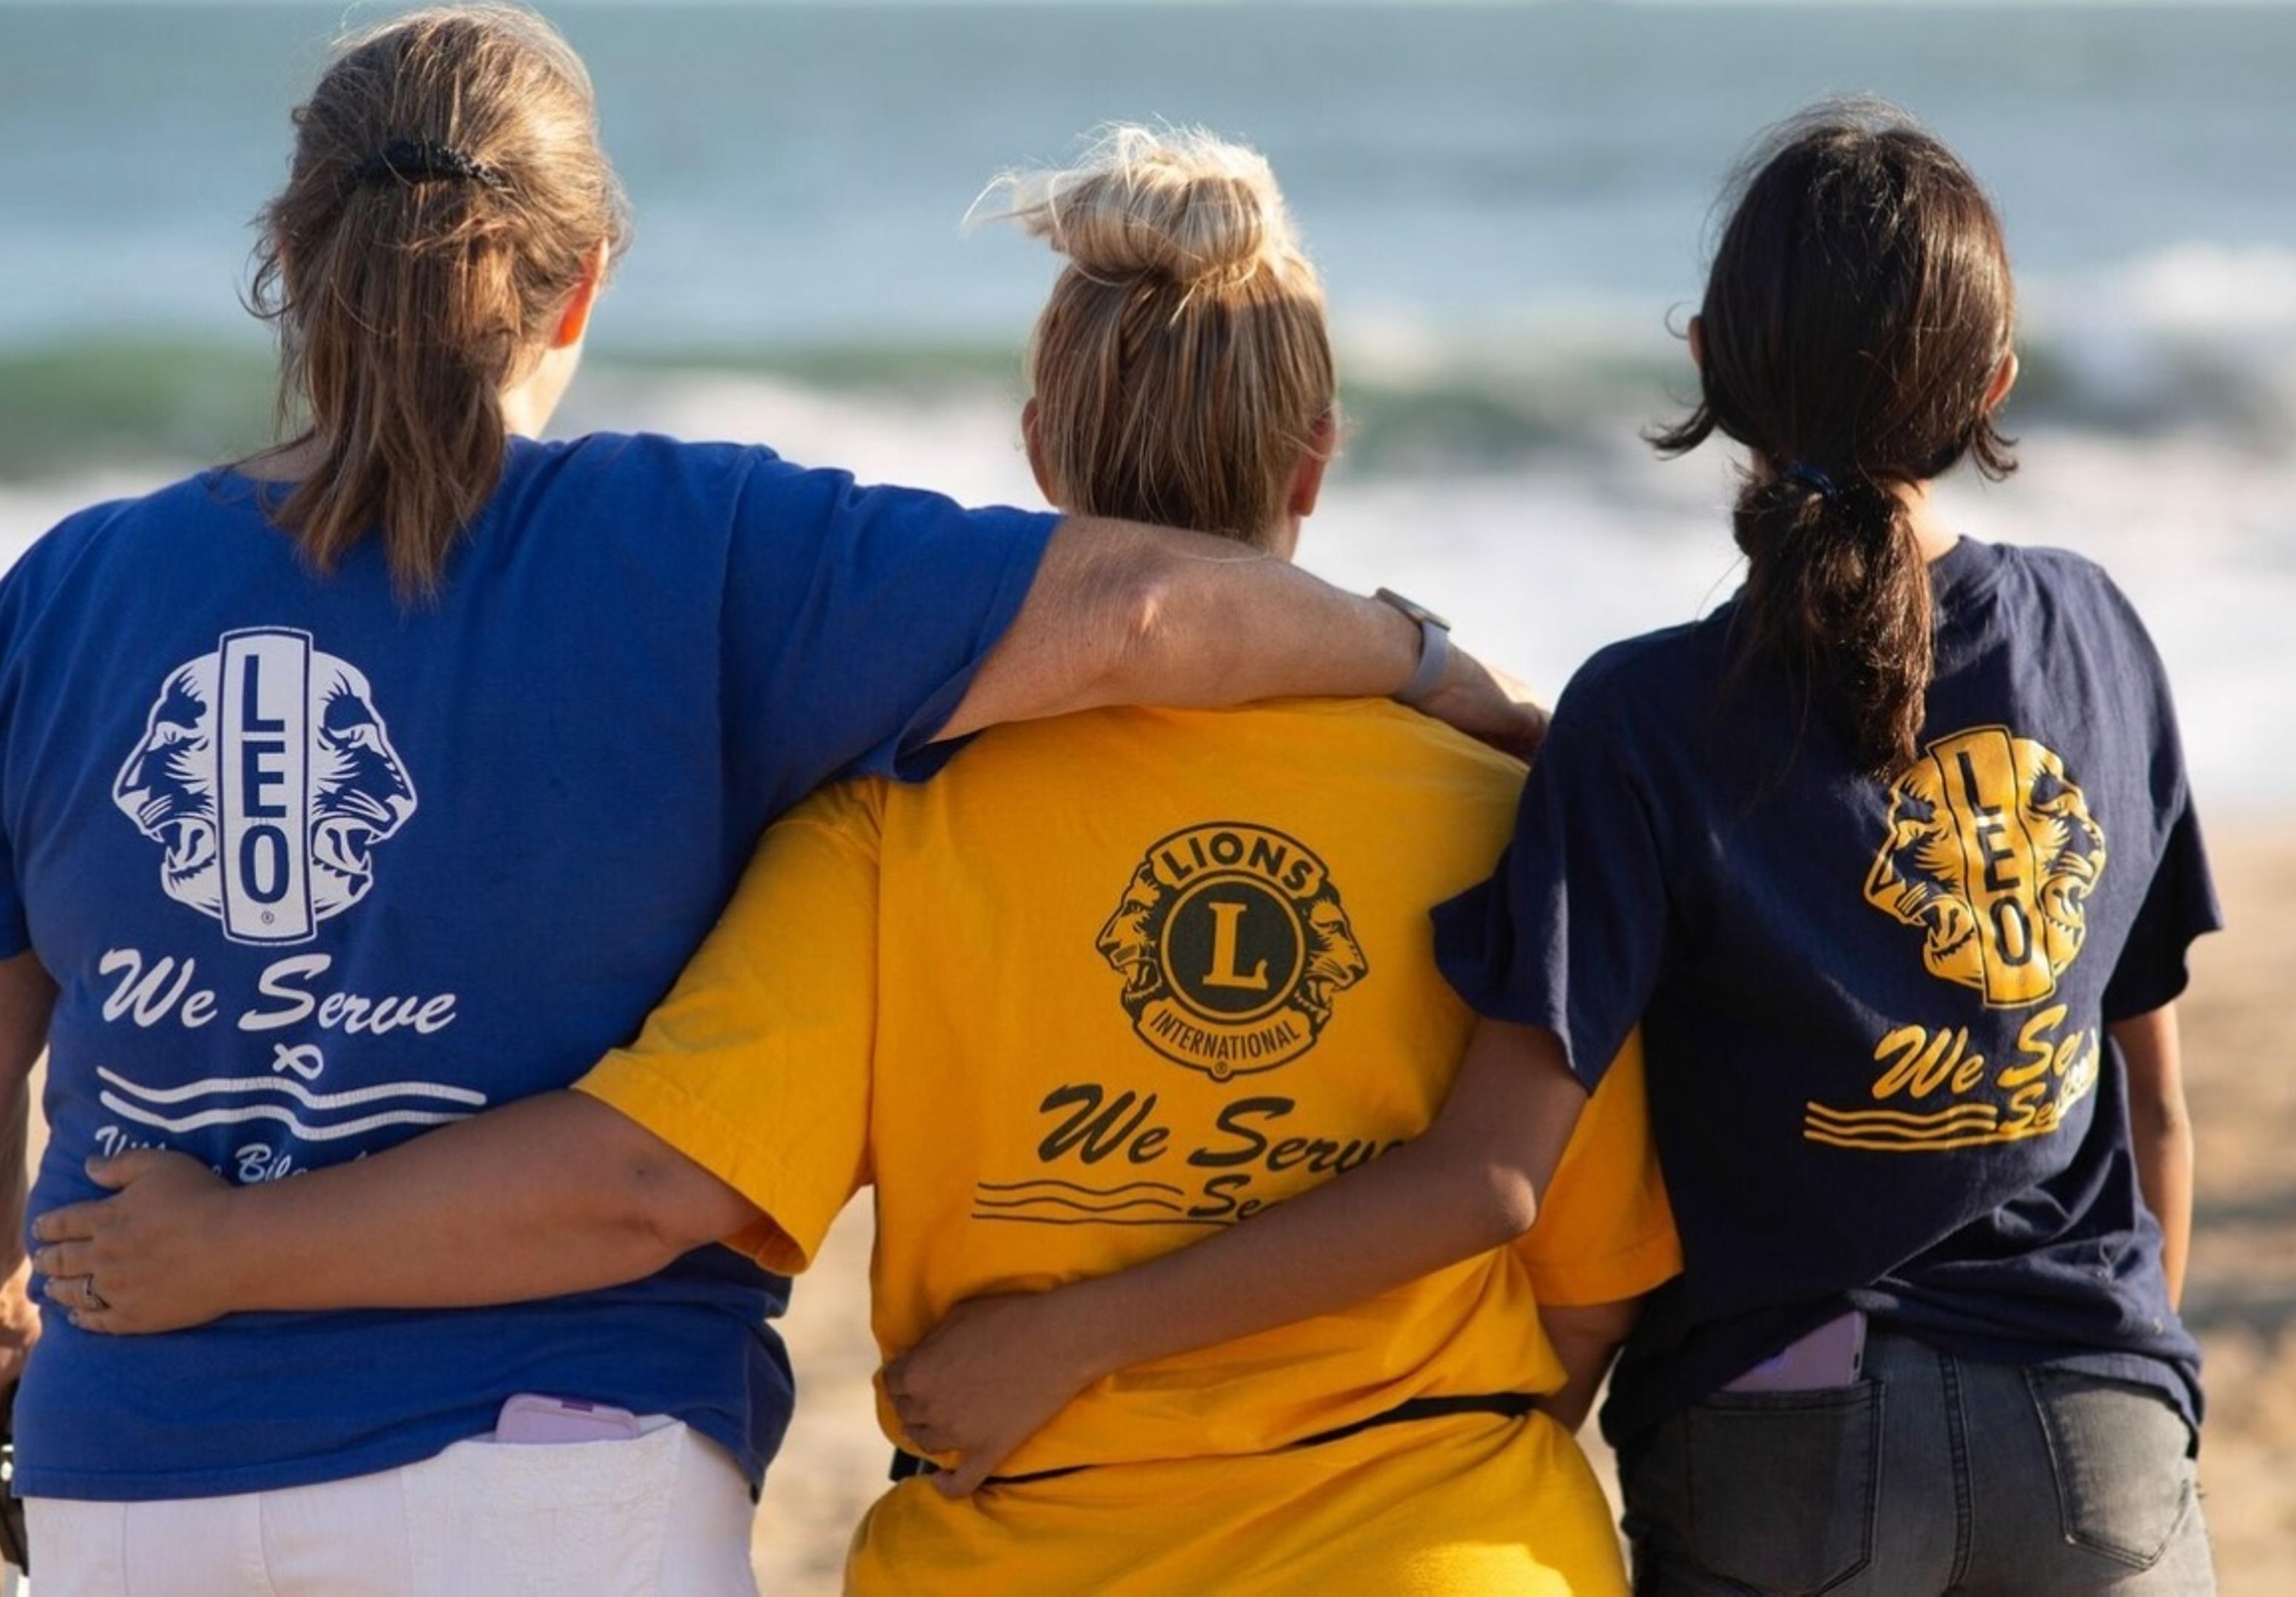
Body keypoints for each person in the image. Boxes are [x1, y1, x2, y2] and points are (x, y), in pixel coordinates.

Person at [0, 12, 1540, 1593]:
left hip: (132, 1468)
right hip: (554, 1461)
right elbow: (1142, 615)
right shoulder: (697, 549)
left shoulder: (64, 592)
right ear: (583, 281)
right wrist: (1433, 665)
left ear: (291, 263)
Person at [881, 102, 2220, 1596]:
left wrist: (1075, 1334)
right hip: (2097, 1429)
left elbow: (1492, 1180)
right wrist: (2133, 1400)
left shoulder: (1644, 719)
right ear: (1992, 383)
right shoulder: (2101, 634)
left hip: (1786, 1438)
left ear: (1709, 357)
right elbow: (2151, 1107)